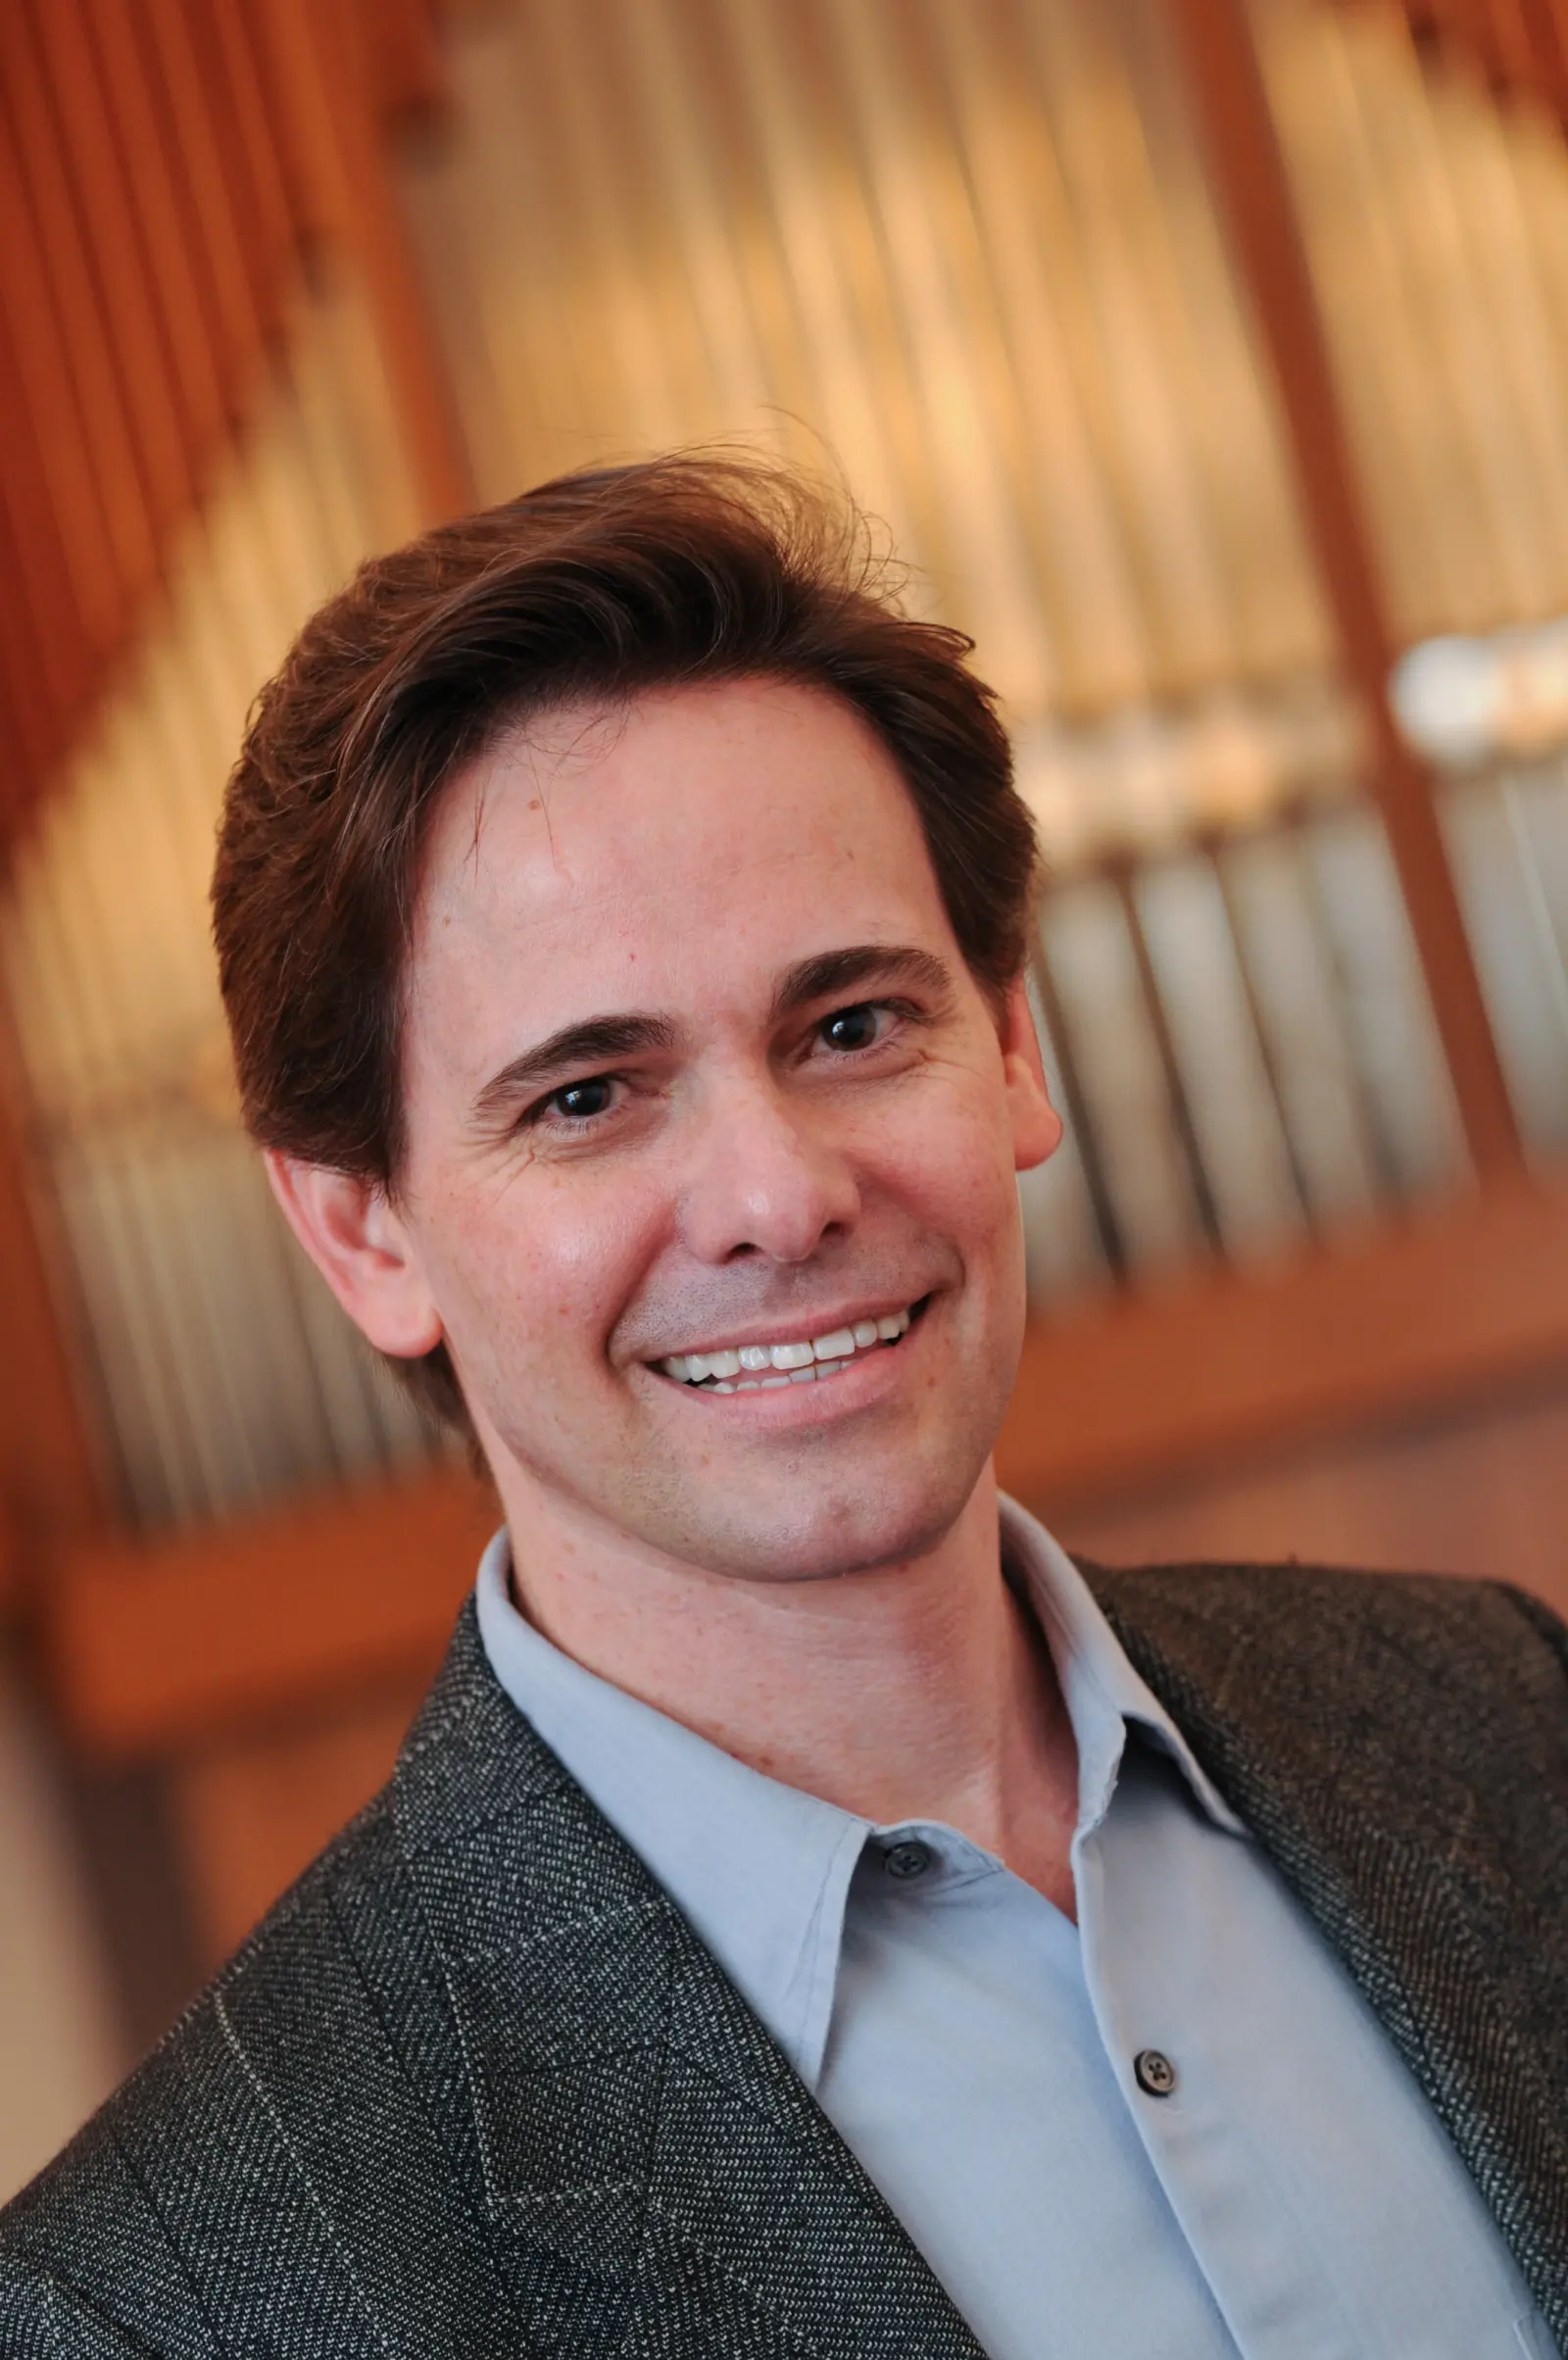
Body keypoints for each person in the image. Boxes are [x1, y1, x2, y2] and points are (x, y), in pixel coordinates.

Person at [2, 457, 1564, 2360]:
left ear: (1010, 1042)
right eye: (587, 1095)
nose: (779, 1197)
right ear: (360, 1228)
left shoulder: (1501, 1717)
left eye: (850, 1026)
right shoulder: (159, 2309)